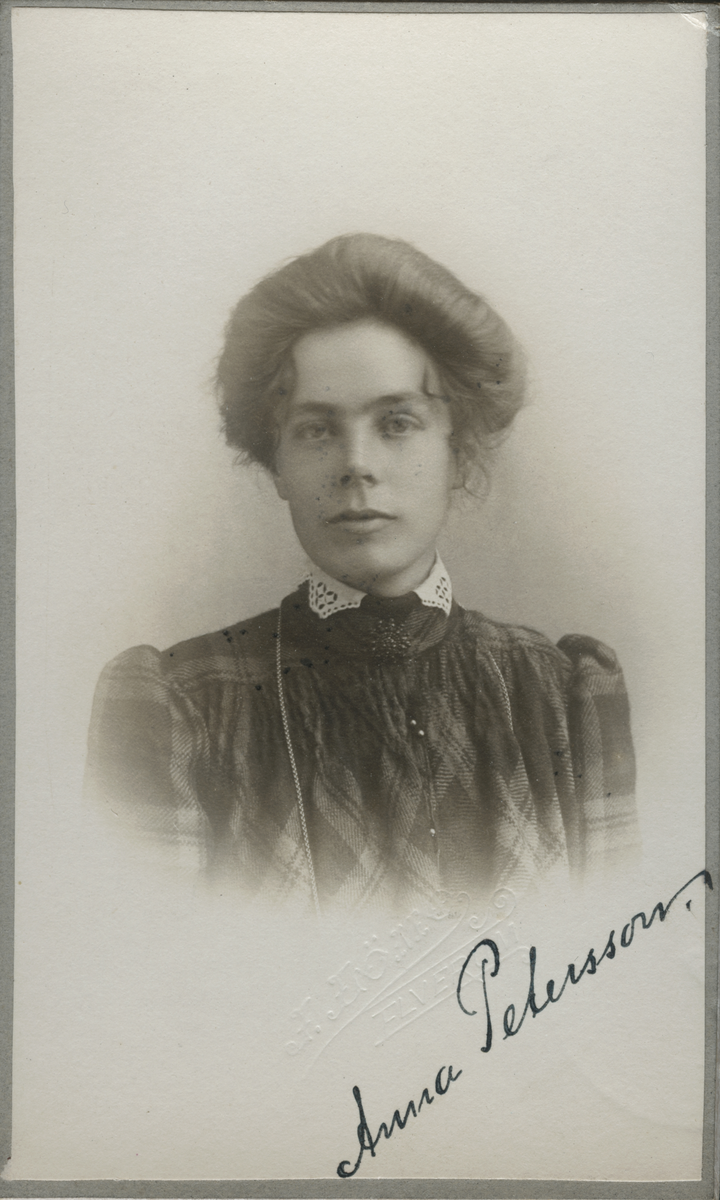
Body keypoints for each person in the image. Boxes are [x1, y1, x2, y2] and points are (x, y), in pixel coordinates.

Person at [85, 233, 639, 917]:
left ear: (459, 453)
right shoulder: (180, 709)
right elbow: (156, 968)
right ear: (277, 466)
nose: (357, 465)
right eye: (317, 430)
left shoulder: (563, 698)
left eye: (397, 423)